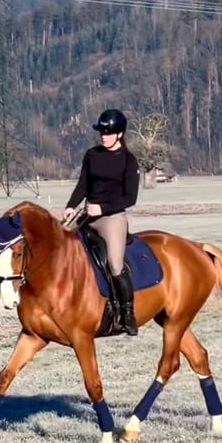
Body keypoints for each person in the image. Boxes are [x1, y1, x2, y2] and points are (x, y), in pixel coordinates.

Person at [63, 109, 141, 336]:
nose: (104, 136)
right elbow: (83, 185)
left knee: (115, 265)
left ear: (120, 134)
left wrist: (103, 208)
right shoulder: (92, 155)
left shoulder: (128, 160)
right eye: (102, 133)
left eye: (109, 133)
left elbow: (130, 198)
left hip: (112, 217)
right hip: (87, 214)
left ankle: (127, 312)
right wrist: (71, 206)